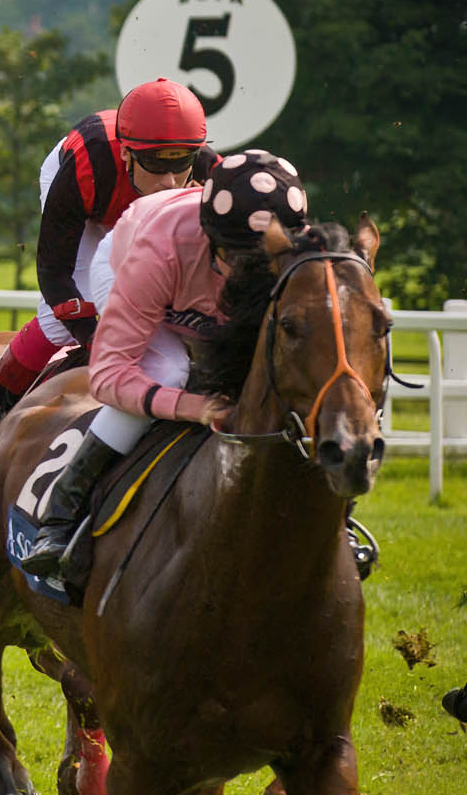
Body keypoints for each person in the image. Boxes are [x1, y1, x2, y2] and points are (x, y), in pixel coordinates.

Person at [17, 150, 308, 578]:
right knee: (172, 372)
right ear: (212, 237)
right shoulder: (159, 252)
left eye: (265, 263)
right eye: (238, 261)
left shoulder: (300, 255)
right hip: (128, 256)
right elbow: (109, 377)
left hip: (189, 268)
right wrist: (191, 406)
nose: (248, 280)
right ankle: (61, 514)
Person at [0, 79, 212, 460]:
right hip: (88, 193)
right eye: (155, 164)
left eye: (181, 163)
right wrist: (94, 336)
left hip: (125, 198)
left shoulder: (209, 173)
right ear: (127, 155)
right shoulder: (84, 169)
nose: (170, 182)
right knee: (63, 316)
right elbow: (54, 274)